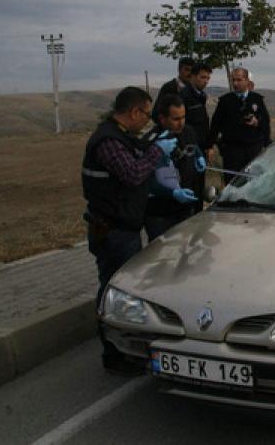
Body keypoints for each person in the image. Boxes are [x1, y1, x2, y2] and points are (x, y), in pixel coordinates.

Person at [82, 86, 178, 374]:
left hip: (124, 227)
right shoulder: (107, 141)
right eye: (146, 115)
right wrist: (156, 152)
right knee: (115, 291)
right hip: (113, 231)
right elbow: (134, 174)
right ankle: (114, 353)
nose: (147, 121)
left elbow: (137, 164)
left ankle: (126, 350)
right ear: (134, 111)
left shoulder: (123, 137)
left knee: (125, 290)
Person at [144, 94, 205, 240]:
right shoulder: (150, 142)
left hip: (184, 209)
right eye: (176, 119)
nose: (181, 123)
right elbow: (147, 182)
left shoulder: (187, 131)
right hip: (161, 214)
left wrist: (199, 156)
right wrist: (172, 193)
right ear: (163, 118)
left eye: (183, 117)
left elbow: (193, 146)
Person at [209, 67, 271, 184]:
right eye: (233, 80)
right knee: (233, 183)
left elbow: (266, 123)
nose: (235, 83)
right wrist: (210, 145)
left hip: (253, 150)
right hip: (232, 151)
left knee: (254, 183)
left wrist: (257, 123)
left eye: (239, 80)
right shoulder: (225, 101)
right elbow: (215, 125)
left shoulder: (257, 99)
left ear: (247, 81)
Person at [180, 62, 213, 210]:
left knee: (199, 189)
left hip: (201, 151)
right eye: (202, 77)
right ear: (193, 77)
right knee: (190, 189)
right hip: (190, 151)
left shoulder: (201, 96)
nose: (205, 81)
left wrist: (208, 146)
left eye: (207, 78)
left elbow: (203, 126)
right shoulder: (184, 96)